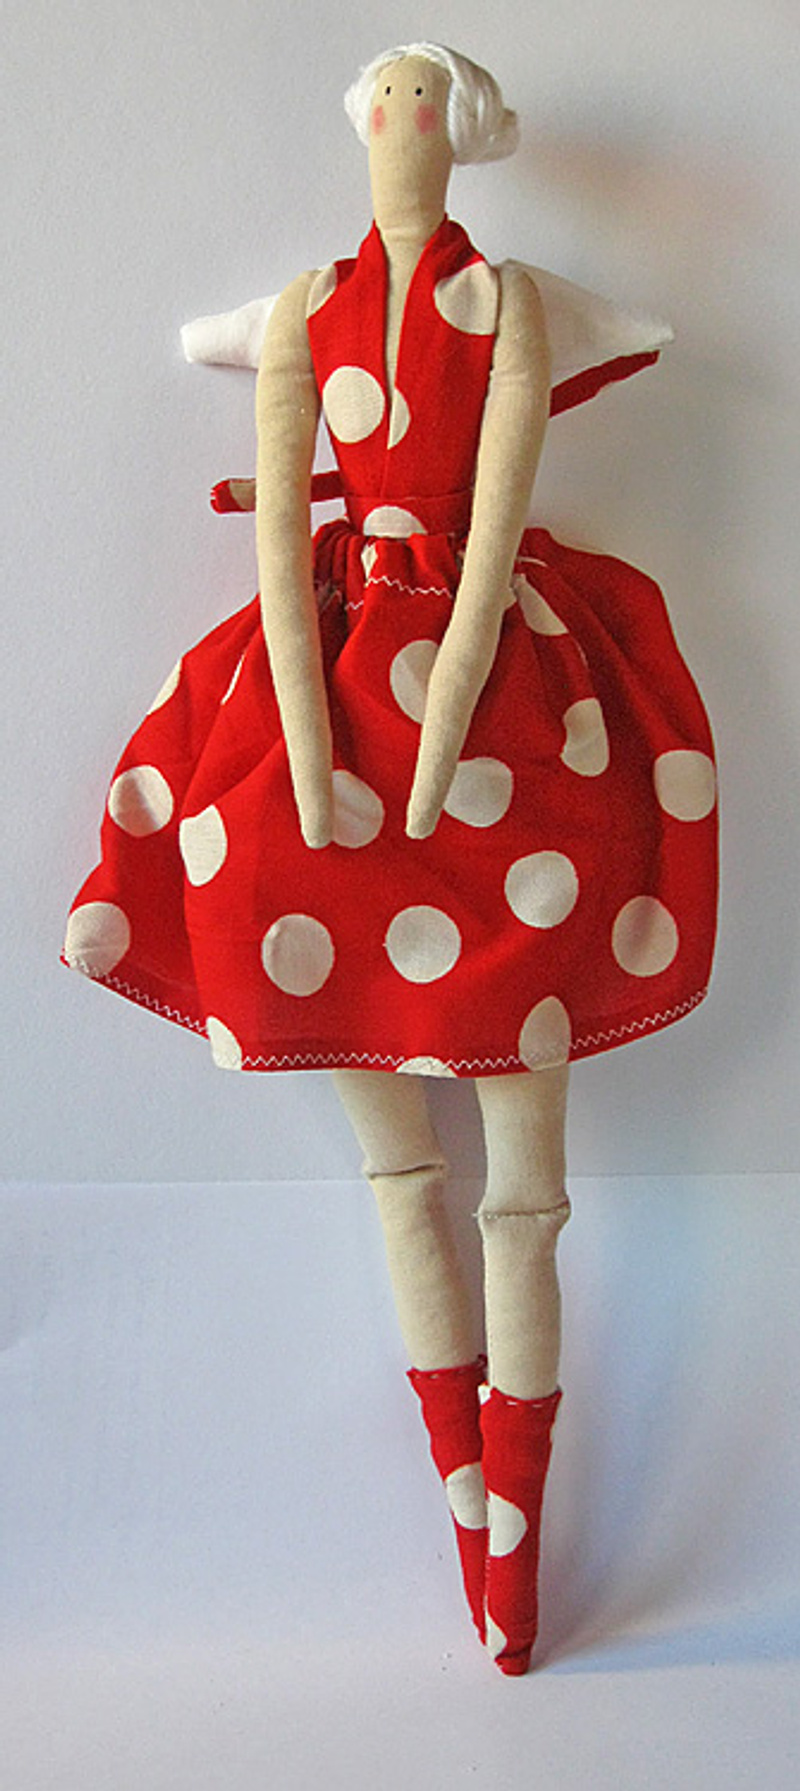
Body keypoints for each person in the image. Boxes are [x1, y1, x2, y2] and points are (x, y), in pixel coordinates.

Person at [62, 42, 719, 1675]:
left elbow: (500, 530)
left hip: (488, 715)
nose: (405, 126)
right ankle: (472, 1505)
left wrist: (440, 721)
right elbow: (283, 525)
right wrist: (313, 734)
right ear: (365, 126)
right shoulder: (307, 310)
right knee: (374, 1096)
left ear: (460, 130)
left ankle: (511, 1541)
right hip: (347, 703)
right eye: (389, 104)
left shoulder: (510, 304)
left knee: (524, 1179)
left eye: (427, 104)